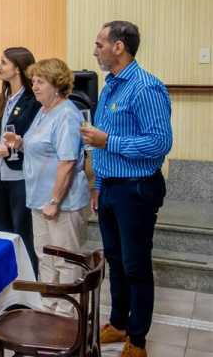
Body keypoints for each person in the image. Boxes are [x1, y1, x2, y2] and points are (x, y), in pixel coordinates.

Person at [82, 21, 172, 357]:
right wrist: (99, 186)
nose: (95, 51)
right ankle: (118, 323)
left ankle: (137, 339)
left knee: (136, 265)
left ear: (119, 47)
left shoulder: (145, 87)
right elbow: (104, 148)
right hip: (110, 189)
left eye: (99, 44)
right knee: (115, 262)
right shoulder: (109, 87)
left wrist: (109, 140)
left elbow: (160, 143)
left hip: (137, 189)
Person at [12, 58, 90, 318]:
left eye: (40, 81)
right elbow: (41, 148)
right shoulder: (43, 110)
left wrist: (54, 201)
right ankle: (48, 308)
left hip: (61, 203)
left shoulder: (67, 113)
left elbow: (67, 162)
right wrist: (20, 143)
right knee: (44, 257)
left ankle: (68, 315)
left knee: (65, 261)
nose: (34, 86)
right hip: (38, 199)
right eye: (33, 81)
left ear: (57, 85)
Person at [0, 47, 42, 274]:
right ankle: (1, 282)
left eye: (3, 63)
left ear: (17, 68)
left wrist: (10, 150)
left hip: (21, 177)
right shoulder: (0, 98)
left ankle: (28, 285)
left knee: (23, 234)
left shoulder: (34, 100)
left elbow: (36, 139)